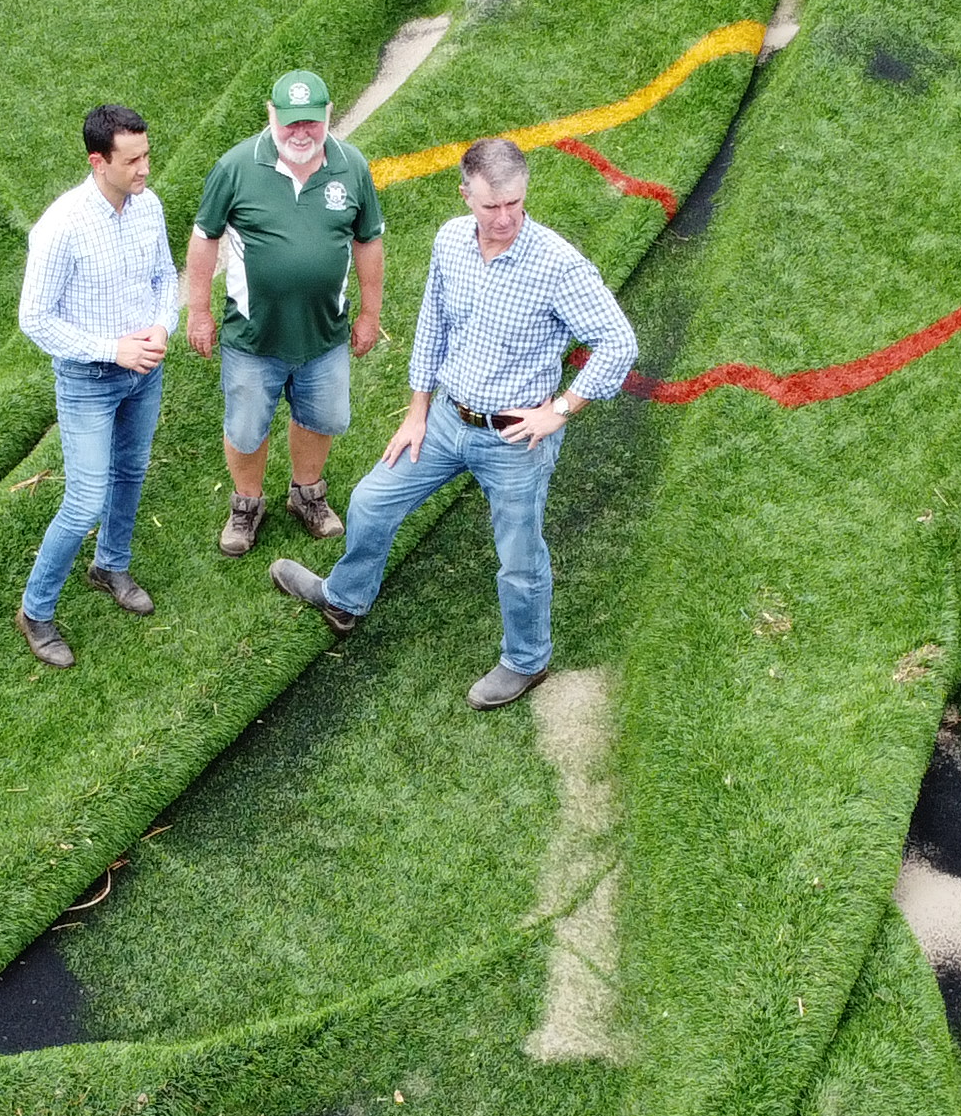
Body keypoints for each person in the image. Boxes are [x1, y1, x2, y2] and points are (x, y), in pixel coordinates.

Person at [272, 137, 635, 709]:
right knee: (371, 500)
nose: (505, 218)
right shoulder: (449, 242)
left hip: (515, 439)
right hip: (445, 420)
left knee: (519, 558)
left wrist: (558, 411)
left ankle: (526, 660)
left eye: (514, 203)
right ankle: (344, 600)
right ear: (465, 194)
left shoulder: (558, 264)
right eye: (491, 206)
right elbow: (433, 323)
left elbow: (618, 343)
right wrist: (417, 411)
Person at [185, 67, 385, 556]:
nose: (301, 132)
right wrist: (199, 313)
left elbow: (368, 240)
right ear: (271, 115)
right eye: (290, 121)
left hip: (325, 335)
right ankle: (247, 506)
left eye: (311, 123)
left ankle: (307, 496)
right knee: (247, 426)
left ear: (327, 116)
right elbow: (204, 238)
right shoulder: (235, 167)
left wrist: (369, 314)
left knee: (320, 418)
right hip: (254, 339)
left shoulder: (352, 166)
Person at [13, 103, 176, 669]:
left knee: (131, 471)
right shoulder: (61, 227)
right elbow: (35, 318)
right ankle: (36, 612)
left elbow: (164, 278)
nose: (145, 170)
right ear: (97, 161)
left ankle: (111, 565)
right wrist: (113, 350)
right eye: (132, 161)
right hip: (89, 380)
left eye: (147, 155)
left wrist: (161, 325)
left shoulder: (147, 207)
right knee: (85, 499)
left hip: (145, 370)